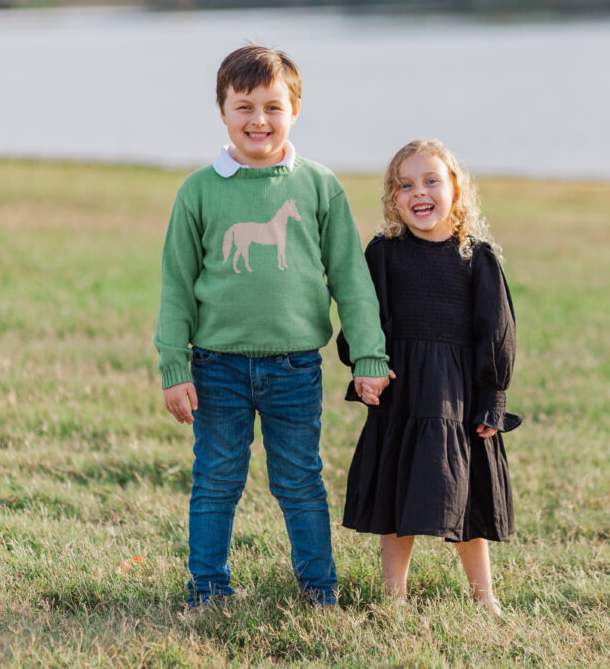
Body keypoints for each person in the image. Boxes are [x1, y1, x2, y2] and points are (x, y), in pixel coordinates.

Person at [154, 45, 392, 610]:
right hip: (217, 366)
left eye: (272, 107)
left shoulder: (319, 186)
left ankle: (319, 590)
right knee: (216, 480)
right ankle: (208, 590)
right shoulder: (198, 191)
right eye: (244, 107)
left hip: (295, 368)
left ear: (295, 110)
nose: (258, 119)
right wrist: (173, 367)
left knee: (300, 481)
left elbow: (351, 279)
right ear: (222, 111)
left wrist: (369, 355)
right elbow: (176, 285)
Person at [338, 139, 520, 615]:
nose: (418, 192)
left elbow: (497, 332)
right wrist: (364, 366)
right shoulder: (384, 253)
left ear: (456, 190)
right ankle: (393, 597)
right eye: (405, 185)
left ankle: (485, 597)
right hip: (401, 394)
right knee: (397, 498)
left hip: (457, 400)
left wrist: (493, 399)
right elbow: (362, 317)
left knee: (467, 497)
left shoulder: (476, 258)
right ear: (393, 199)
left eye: (431, 181)